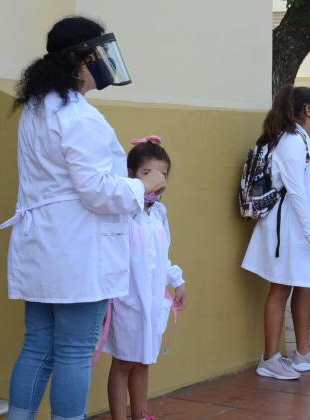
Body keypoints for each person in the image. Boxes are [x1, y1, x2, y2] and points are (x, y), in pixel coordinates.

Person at [1, 17, 166, 420]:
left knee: (38, 345)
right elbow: (97, 190)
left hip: (43, 248)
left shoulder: (37, 109)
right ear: (81, 60)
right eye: (98, 55)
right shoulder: (80, 116)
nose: (105, 64)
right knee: (74, 351)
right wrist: (143, 186)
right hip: (77, 255)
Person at [241, 86, 310, 380]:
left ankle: (303, 353)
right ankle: (270, 358)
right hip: (290, 230)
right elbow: (296, 193)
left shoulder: (303, 139)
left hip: (302, 228)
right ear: (308, 109)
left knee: (303, 285)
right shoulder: (291, 141)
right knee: (281, 288)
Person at [104, 137, 187, 420]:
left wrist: (177, 280)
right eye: (147, 173)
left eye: (163, 174)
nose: (156, 181)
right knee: (124, 362)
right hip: (127, 299)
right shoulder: (124, 214)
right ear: (131, 175)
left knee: (143, 361)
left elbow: (163, 255)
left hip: (152, 300)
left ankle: (140, 414)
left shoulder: (160, 214)